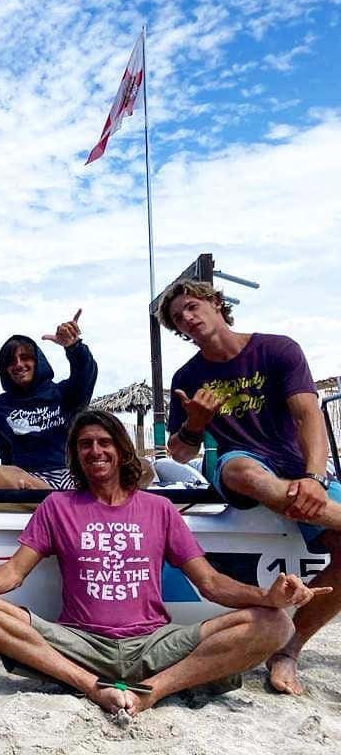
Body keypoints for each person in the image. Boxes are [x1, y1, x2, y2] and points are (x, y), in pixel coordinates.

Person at [0, 409, 330, 717]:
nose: (95, 451)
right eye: (85, 444)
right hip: (81, 644)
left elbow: (210, 583)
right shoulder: (57, 506)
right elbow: (13, 573)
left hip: (154, 643)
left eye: (104, 442)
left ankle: (152, 691)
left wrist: (269, 597)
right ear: (76, 454)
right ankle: (93, 687)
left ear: (121, 450)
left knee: (277, 624)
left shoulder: (159, 508)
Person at [160, 278, 341, 695]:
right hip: (237, 466)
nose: (187, 319)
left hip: (295, 469)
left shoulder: (277, 349)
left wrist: (314, 478)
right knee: (241, 470)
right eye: (178, 318)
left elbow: (308, 416)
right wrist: (196, 425)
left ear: (215, 302)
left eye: (191, 307)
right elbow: (179, 452)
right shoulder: (188, 376)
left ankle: (288, 649)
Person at [0, 309, 97, 490]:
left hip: (72, 473)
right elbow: (5, 454)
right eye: (11, 362)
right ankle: (58, 499)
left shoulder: (63, 393)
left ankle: (58, 499)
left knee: (141, 466)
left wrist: (74, 347)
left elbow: (86, 375)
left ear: (37, 361)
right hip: (31, 481)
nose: (19, 365)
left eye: (25, 358)